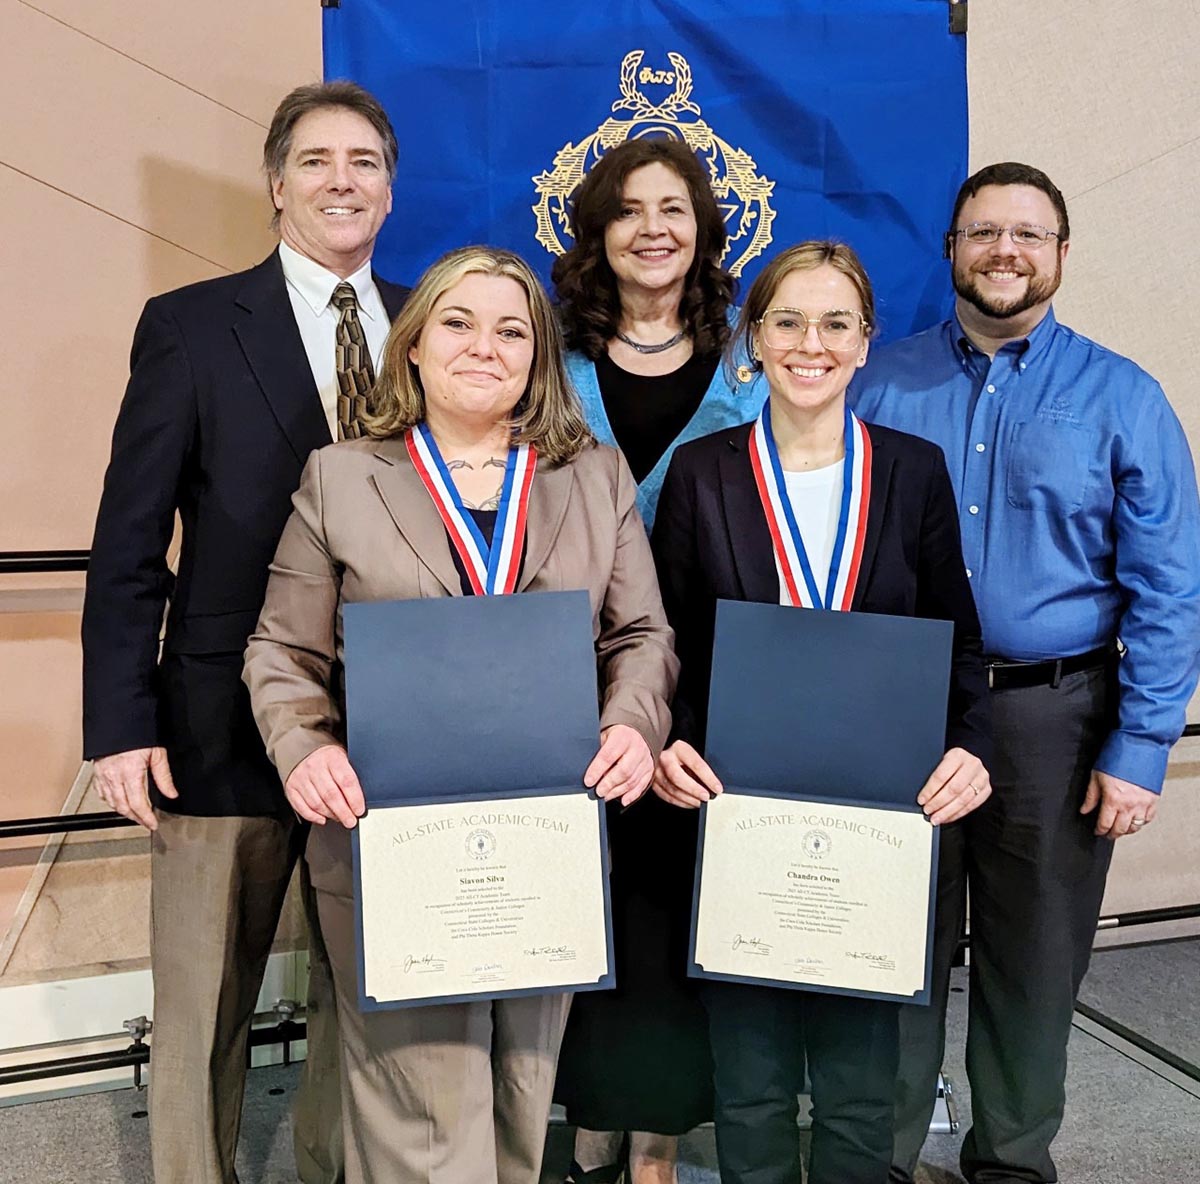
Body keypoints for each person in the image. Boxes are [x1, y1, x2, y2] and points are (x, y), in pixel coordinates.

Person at [242, 245, 678, 1184]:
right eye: (459, 322)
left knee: (523, 1100)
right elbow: (282, 651)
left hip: (548, 838)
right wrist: (303, 749)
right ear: (414, 344)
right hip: (394, 841)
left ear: (538, 355)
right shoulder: (342, 477)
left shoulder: (594, 477)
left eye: (512, 329)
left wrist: (633, 727)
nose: (486, 346)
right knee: (420, 1109)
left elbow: (641, 633)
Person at [81, 81, 408, 1184]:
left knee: (363, 1000)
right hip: (216, 724)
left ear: (391, 189)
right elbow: (129, 539)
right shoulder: (189, 325)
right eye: (316, 161)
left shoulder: (432, 326)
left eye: (364, 162)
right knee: (205, 1004)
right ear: (276, 185)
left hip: (395, 726)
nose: (341, 181)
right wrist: (120, 723)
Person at [850, 161, 1200, 1184]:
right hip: (902, 710)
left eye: (1028, 234)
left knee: (1035, 967)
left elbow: (1169, 588)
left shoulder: (1124, 396)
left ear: (1059, 253)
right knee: (892, 960)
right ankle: (879, 1156)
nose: (1005, 250)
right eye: (983, 231)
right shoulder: (881, 380)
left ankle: (1008, 1161)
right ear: (952, 248)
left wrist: (1141, 747)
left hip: (1057, 719)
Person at [651, 241, 994, 1184]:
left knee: (859, 1085)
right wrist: (671, 741)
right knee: (751, 1082)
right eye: (789, 321)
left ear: (866, 341)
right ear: (754, 340)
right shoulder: (704, 475)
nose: (813, 343)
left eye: (836, 322)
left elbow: (957, 640)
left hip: (873, 823)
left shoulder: (914, 472)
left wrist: (970, 745)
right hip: (740, 817)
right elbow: (666, 645)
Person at [550, 137, 763, 1184]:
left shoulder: (750, 365)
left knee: (674, 902)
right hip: (573, 678)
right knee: (585, 895)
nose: (653, 229)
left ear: (703, 228)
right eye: (629, 209)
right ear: (598, 231)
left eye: (673, 208)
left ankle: (659, 1137)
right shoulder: (553, 362)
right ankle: (592, 1106)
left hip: (710, 682)